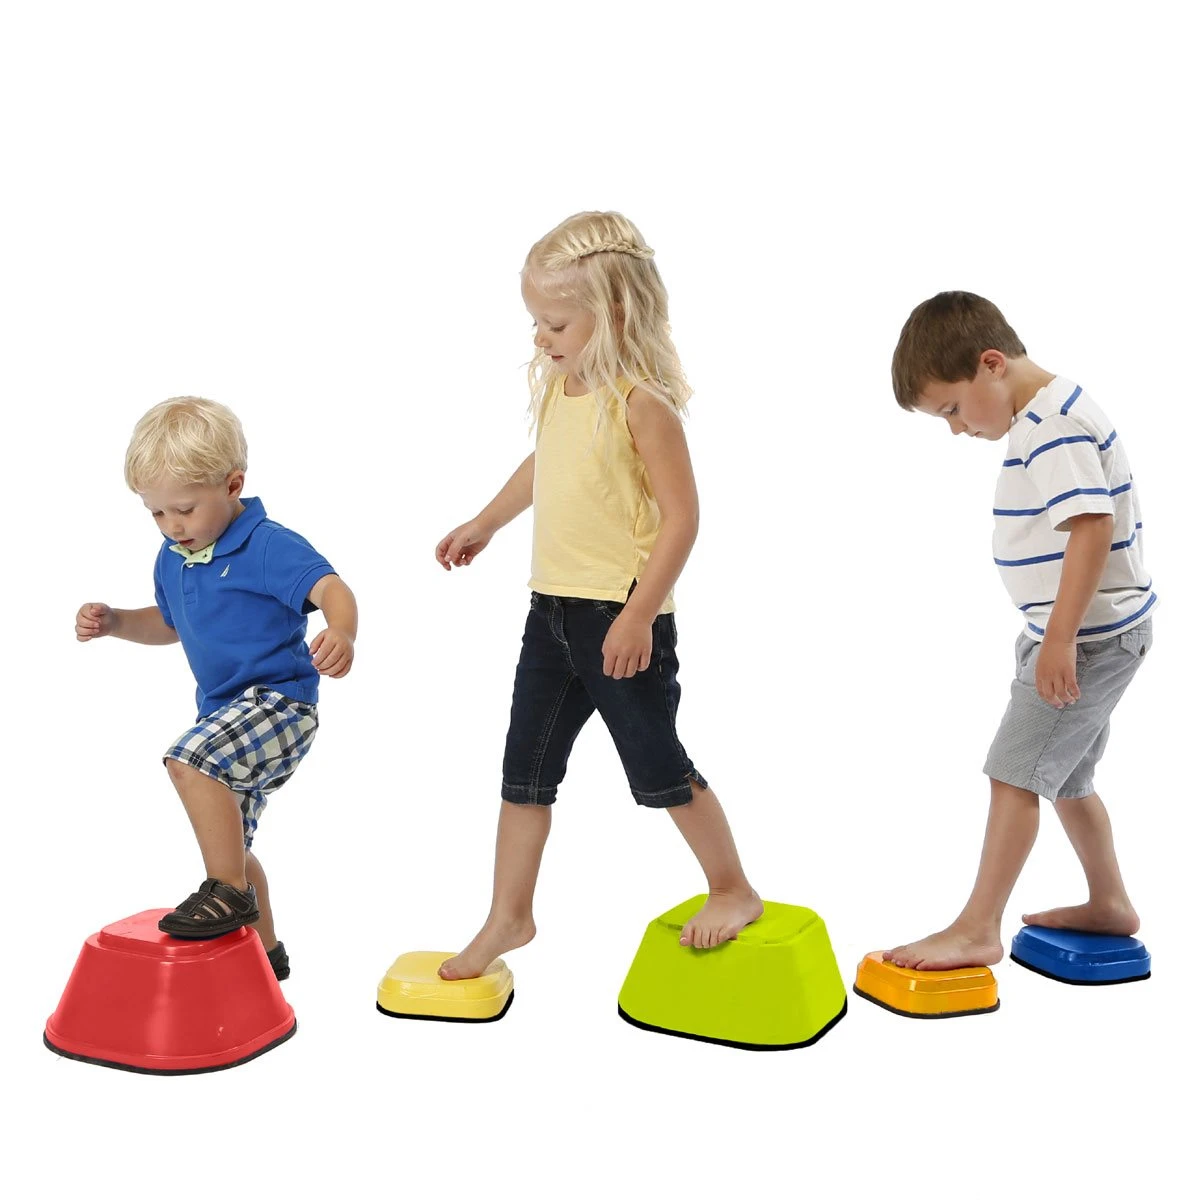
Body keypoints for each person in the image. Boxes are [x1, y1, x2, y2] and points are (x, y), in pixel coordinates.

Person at [434, 211, 762, 980]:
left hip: (619, 619)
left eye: (555, 324)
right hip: (549, 613)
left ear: (613, 312)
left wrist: (639, 614)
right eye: (536, 322)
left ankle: (733, 887)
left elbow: (683, 519)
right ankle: (509, 914)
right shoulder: (563, 386)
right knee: (525, 770)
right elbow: (546, 465)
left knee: (660, 767)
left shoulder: (642, 402)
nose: (540, 338)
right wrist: (486, 521)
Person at [885, 291, 1156, 970]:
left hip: (1086, 638)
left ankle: (978, 928)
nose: (956, 430)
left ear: (991, 364)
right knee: (1067, 777)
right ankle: (1110, 902)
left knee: (1013, 774)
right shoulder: (1045, 413)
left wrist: (1059, 639)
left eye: (952, 409)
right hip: (1083, 633)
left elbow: (1091, 527)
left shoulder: (1052, 425)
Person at [75, 396, 357, 978]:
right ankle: (267, 955)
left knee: (189, 760)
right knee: (234, 844)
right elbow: (170, 624)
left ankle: (225, 892)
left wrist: (342, 630)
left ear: (233, 485)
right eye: (156, 513)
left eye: (184, 509)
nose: (172, 526)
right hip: (223, 712)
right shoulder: (172, 557)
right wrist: (118, 622)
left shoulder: (267, 545)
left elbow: (331, 587)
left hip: (280, 703)